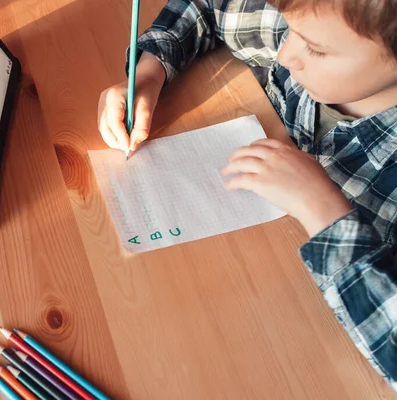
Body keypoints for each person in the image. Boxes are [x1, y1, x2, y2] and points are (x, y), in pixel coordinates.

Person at [97, 0, 397, 388]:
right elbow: (206, 6)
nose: (286, 54)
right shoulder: (317, 21)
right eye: (291, 30)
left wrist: (323, 210)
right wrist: (151, 71)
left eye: (316, 49)